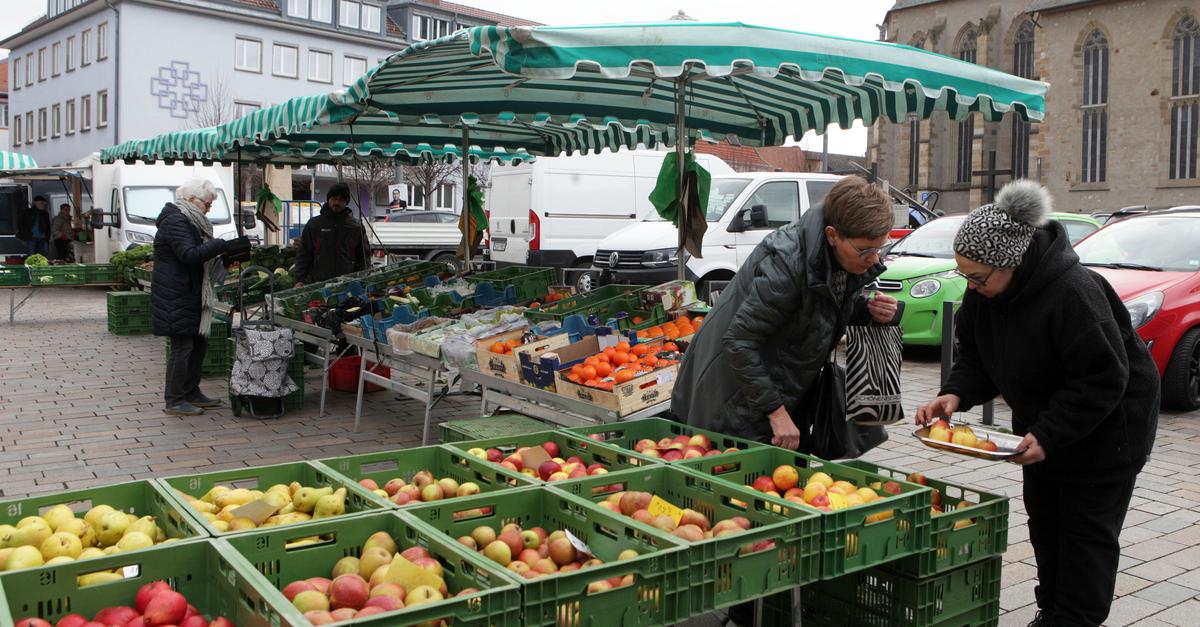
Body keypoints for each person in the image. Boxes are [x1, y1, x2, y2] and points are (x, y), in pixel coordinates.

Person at [915, 180, 1159, 627]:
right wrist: (954, 393)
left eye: (978, 277)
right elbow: (978, 356)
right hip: (1045, 427)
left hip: (1109, 432)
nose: (970, 285)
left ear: (1012, 262)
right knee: (1046, 525)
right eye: (964, 274)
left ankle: (1076, 618)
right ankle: (1053, 612)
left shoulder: (1074, 294)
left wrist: (1049, 434)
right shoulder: (985, 294)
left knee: (1085, 537)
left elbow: (1104, 378)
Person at [671, 176, 900, 452]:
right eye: (866, 250)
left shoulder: (841, 258)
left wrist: (871, 312)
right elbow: (740, 341)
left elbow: (817, 307)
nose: (875, 258)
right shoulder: (788, 262)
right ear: (832, 235)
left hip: (783, 388)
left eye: (880, 248)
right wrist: (776, 413)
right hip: (734, 399)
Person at [151, 178, 251, 416]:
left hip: (191, 291)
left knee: (198, 343)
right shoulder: (175, 220)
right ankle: (174, 400)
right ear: (192, 200)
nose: (209, 208)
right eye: (207, 203)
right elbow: (188, 254)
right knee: (183, 346)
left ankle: (191, 391)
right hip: (176, 294)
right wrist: (221, 245)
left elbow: (200, 256)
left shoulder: (189, 221)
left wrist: (226, 256)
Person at [293, 183, 370, 288]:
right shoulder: (314, 224)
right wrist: (299, 280)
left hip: (347, 285)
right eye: (334, 198)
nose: (337, 202)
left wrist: (363, 279)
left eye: (341, 199)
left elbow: (363, 256)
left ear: (346, 202)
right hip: (317, 284)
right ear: (328, 200)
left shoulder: (356, 227)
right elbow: (303, 254)